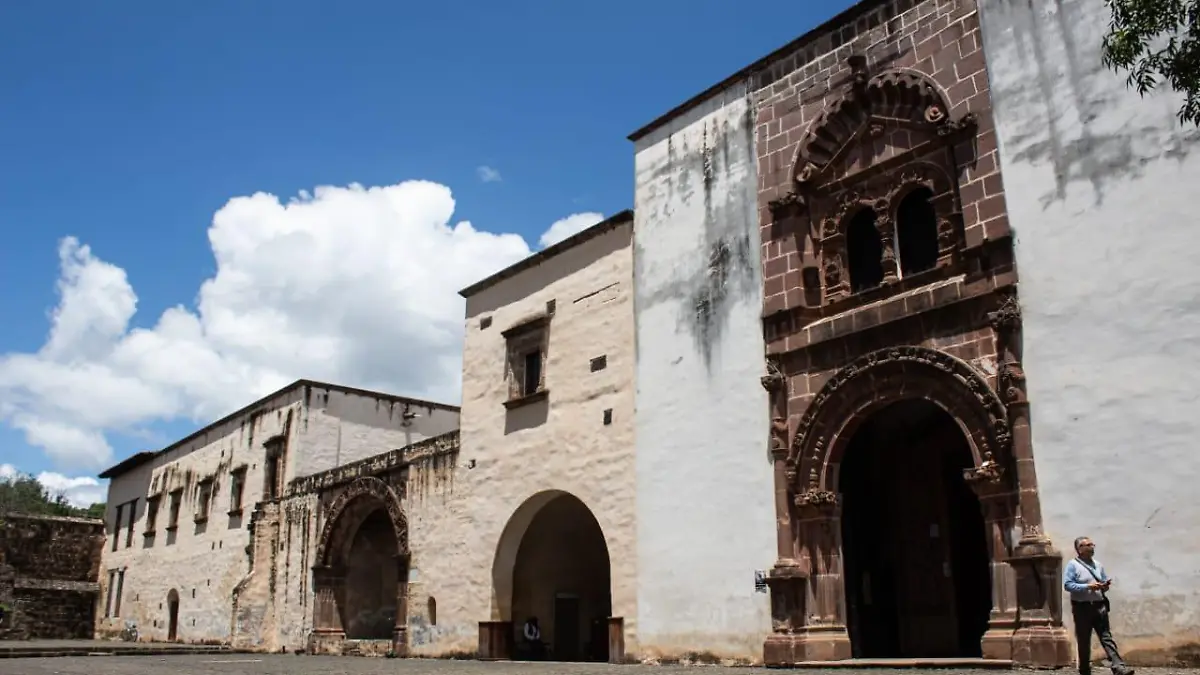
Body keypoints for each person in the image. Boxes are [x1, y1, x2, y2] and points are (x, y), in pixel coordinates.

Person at [1064, 536, 1134, 675]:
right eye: (1088, 545)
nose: (1092, 547)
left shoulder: (1098, 564)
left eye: (1092, 544)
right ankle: (1084, 669)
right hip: (1082, 607)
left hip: (1099, 605)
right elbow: (1068, 585)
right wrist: (1088, 586)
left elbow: (1102, 582)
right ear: (1080, 549)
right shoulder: (1073, 565)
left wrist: (1104, 586)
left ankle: (1118, 667)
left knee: (1106, 637)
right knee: (1084, 639)